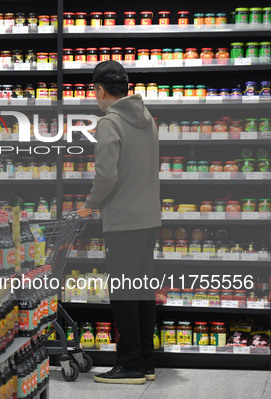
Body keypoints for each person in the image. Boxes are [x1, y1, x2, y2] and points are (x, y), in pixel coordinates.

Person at [83, 61, 161, 384]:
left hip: (123, 223)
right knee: (142, 292)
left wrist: (89, 206)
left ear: (100, 90)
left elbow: (106, 176)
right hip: (148, 220)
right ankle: (145, 361)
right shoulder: (148, 120)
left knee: (124, 295)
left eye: (94, 92)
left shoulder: (109, 122)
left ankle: (129, 365)